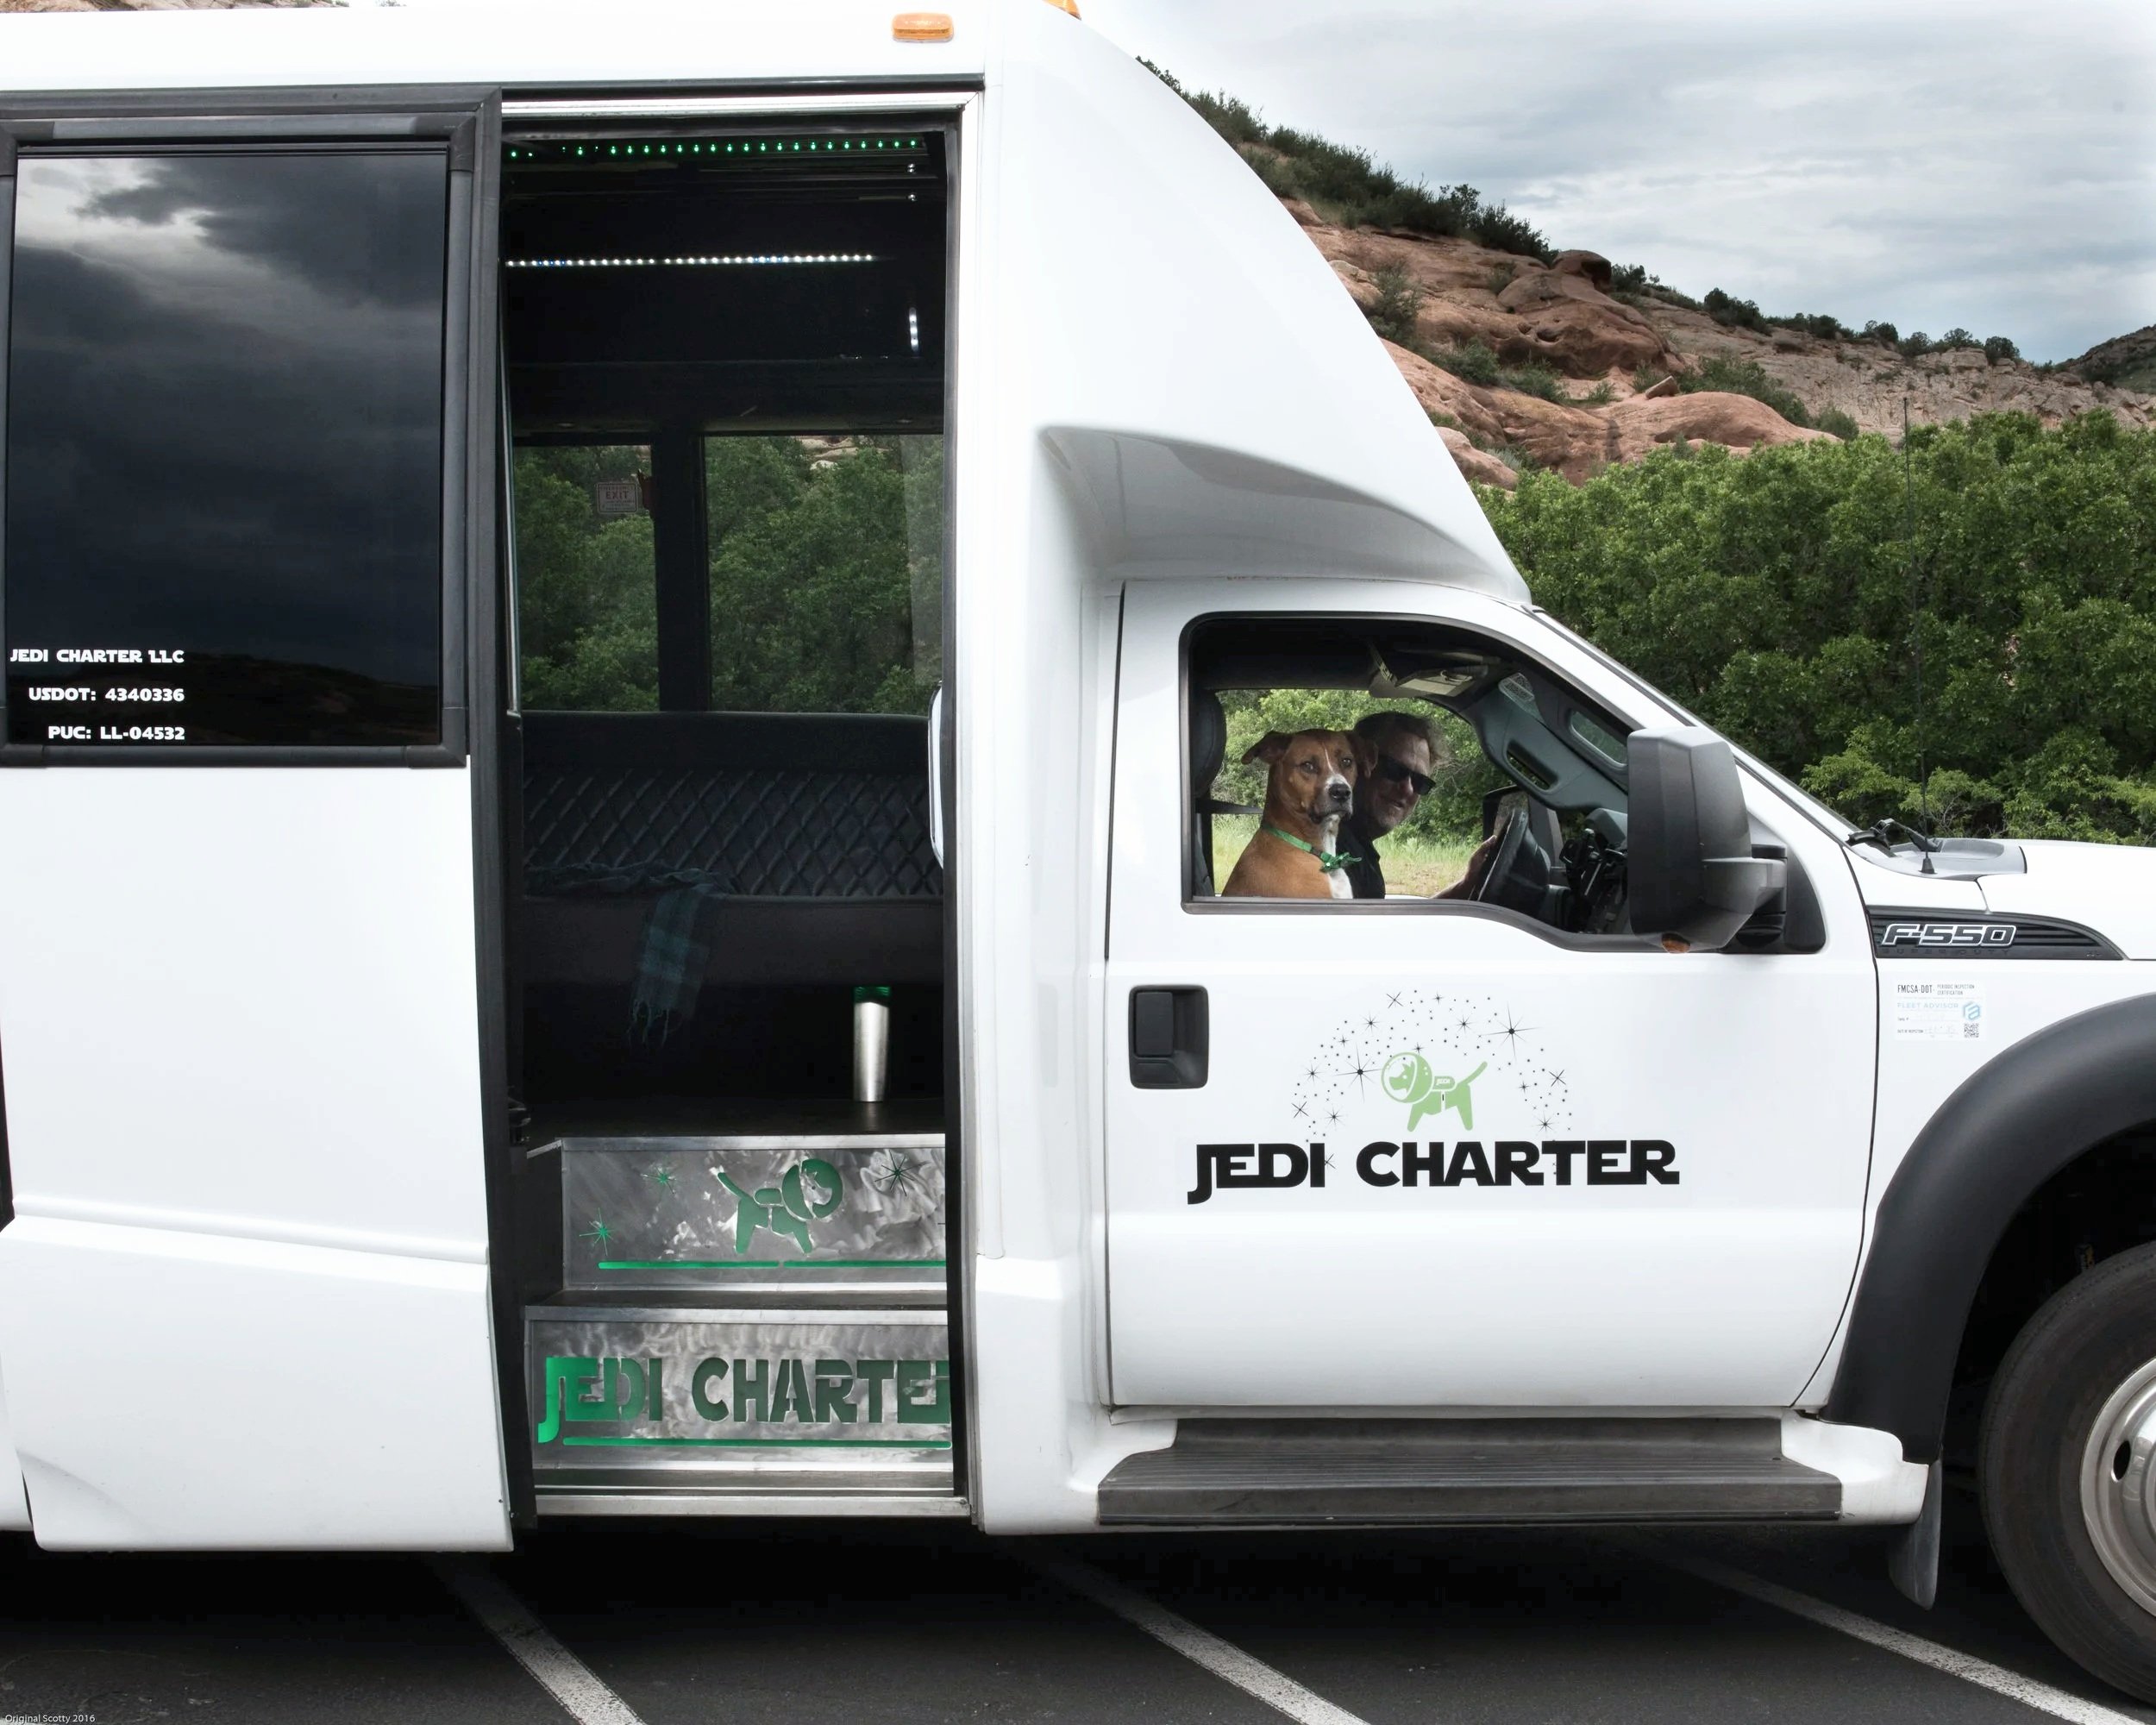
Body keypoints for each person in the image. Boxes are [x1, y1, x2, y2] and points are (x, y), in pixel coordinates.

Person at [1338, 711, 1500, 901]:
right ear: (1358, 761)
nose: (1407, 789)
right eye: (1394, 769)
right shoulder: (1334, 848)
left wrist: (1467, 884)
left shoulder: (1356, 848)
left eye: (1420, 781)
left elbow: (1388, 927)